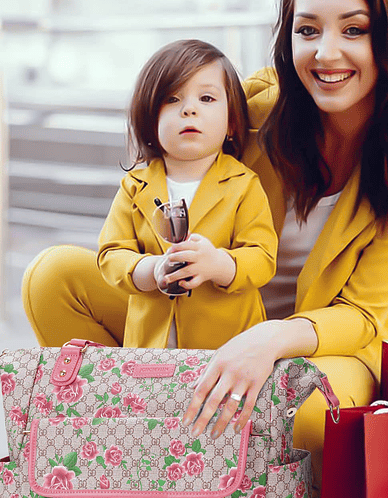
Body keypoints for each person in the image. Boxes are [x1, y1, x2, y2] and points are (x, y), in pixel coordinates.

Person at [22, 0, 388, 498]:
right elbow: (168, 153)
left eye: (354, 29)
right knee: (54, 276)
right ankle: (133, 464)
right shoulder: (253, 106)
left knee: (303, 413)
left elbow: (363, 313)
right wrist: (160, 262)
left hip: (320, 346)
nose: (326, 53)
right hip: (212, 319)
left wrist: (269, 340)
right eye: (307, 30)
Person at [96, 39, 277, 349]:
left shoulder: (243, 184)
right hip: (150, 352)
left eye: (207, 98)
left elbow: (262, 257)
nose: (189, 108)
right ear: (150, 120)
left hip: (227, 348)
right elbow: (111, 255)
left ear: (232, 122)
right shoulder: (134, 186)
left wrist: (217, 264)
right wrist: (152, 270)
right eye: (172, 99)